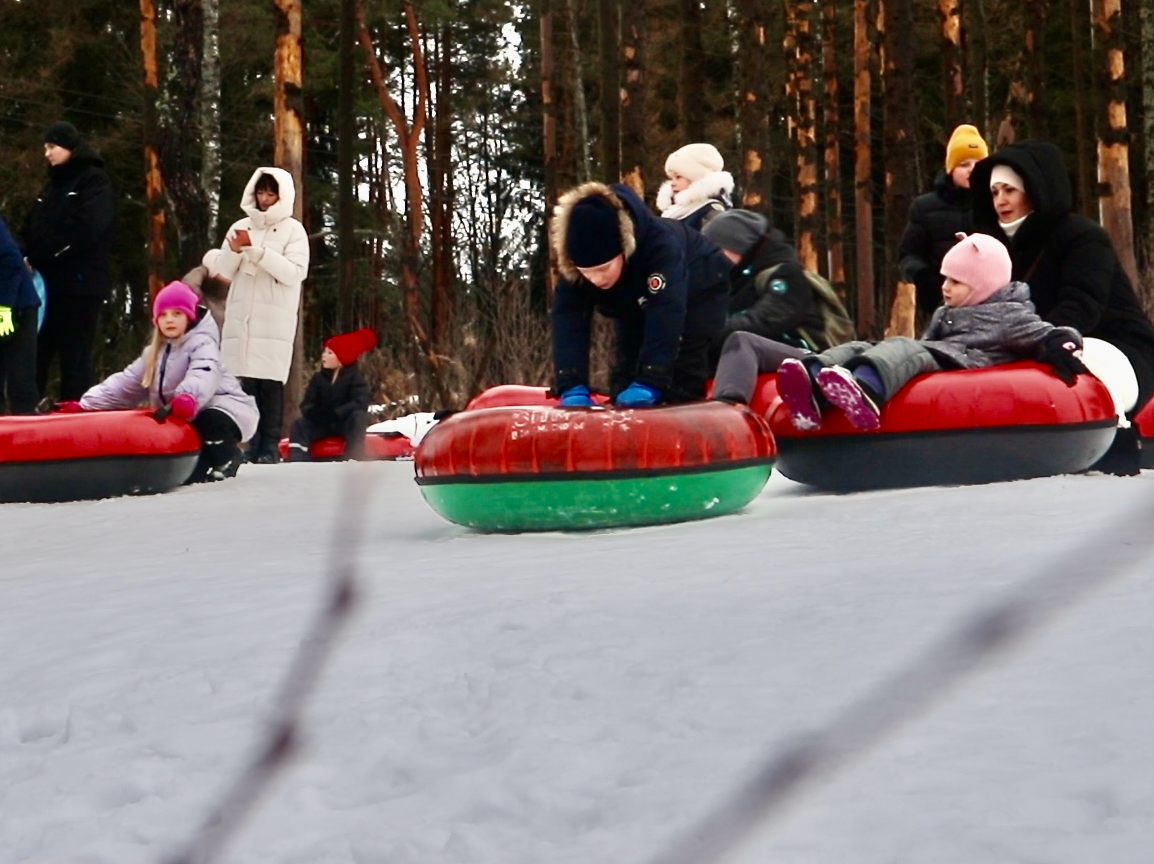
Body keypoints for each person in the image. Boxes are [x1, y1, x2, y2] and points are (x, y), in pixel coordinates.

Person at [717, 233, 1087, 429]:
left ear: (983, 285)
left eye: (956, 281)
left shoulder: (1008, 313)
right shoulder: (951, 308)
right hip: (939, 354)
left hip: (963, 364)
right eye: (944, 278)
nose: (944, 287)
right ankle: (813, 382)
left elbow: (1045, 332)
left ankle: (865, 390)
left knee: (904, 349)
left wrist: (1063, 342)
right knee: (863, 344)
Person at [969, 139, 1154, 423]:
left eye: (1009, 190)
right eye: (994, 192)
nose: (1000, 201)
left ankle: (1112, 435)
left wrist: (1046, 339)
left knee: (1086, 364)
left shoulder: (1083, 237)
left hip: (1114, 343)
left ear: (1035, 190)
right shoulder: (997, 247)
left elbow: (1082, 302)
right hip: (1039, 344)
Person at [550, 181, 732, 407]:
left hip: (700, 283)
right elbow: (568, 317)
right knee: (625, 371)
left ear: (623, 250)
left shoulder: (660, 248)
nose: (596, 280)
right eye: (586, 272)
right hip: (636, 298)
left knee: (681, 371)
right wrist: (571, 383)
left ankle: (687, 428)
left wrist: (651, 380)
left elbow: (667, 311)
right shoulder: (574, 268)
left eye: (603, 269)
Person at [75, 280, 258, 483]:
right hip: (183, 415)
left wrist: (188, 396)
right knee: (190, 476)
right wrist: (86, 404)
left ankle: (227, 458)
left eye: (177, 314)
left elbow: (204, 372)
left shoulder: (202, 343)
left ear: (189, 317)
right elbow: (124, 385)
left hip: (225, 408)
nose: (169, 320)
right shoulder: (153, 354)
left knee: (210, 420)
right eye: (163, 315)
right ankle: (200, 467)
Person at [212, 167, 310, 463]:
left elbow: (295, 272)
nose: (265, 199)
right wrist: (235, 250)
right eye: (261, 192)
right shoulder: (240, 225)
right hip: (242, 316)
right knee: (245, 384)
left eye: (271, 193)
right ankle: (250, 445)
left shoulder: (294, 230)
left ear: (282, 195)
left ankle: (269, 446)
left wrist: (258, 253)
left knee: (269, 384)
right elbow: (223, 272)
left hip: (274, 317)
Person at [20, 121, 116, 401]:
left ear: (69, 147)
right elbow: (32, 228)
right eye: (45, 148)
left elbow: (86, 228)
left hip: (80, 286)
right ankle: (29, 417)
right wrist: (23, 254)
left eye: (52, 146)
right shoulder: (51, 188)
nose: (47, 153)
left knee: (75, 359)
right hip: (45, 286)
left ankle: (76, 420)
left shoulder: (94, 180)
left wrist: (39, 255)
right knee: (36, 354)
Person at [701, 209, 828, 351]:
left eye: (718, 250)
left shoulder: (786, 275)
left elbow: (767, 320)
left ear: (739, 245)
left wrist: (706, 331)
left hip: (798, 358)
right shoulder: (735, 277)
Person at [897, 124, 989, 318]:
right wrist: (925, 279)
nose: (972, 171)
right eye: (964, 165)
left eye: (977, 165)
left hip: (988, 304)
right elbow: (908, 255)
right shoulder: (924, 207)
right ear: (951, 168)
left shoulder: (995, 205)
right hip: (939, 306)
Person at [287, 328, 376, 462]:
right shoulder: (318, 378)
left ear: (342, 357)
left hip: (344, 423)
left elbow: (360, 402)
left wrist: (337, 413)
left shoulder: (355, 378)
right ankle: (297, 459)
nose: (323, 355)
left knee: (358, 417)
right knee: (299, 424)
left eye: (329, 353)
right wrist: (316, 413)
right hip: (323, 424)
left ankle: (354, 458)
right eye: (324, 351)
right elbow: (307, 403)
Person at [0, 213, 41, 413]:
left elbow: (10, 262)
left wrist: (4, 307)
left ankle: (29, 439)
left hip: (16, 305)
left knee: (20, 381)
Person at [655, 143, 734, 231]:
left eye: (678, 177)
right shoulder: (673, 211)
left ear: (695, 178)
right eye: (671, 178)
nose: (672, 183)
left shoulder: (711, 213)